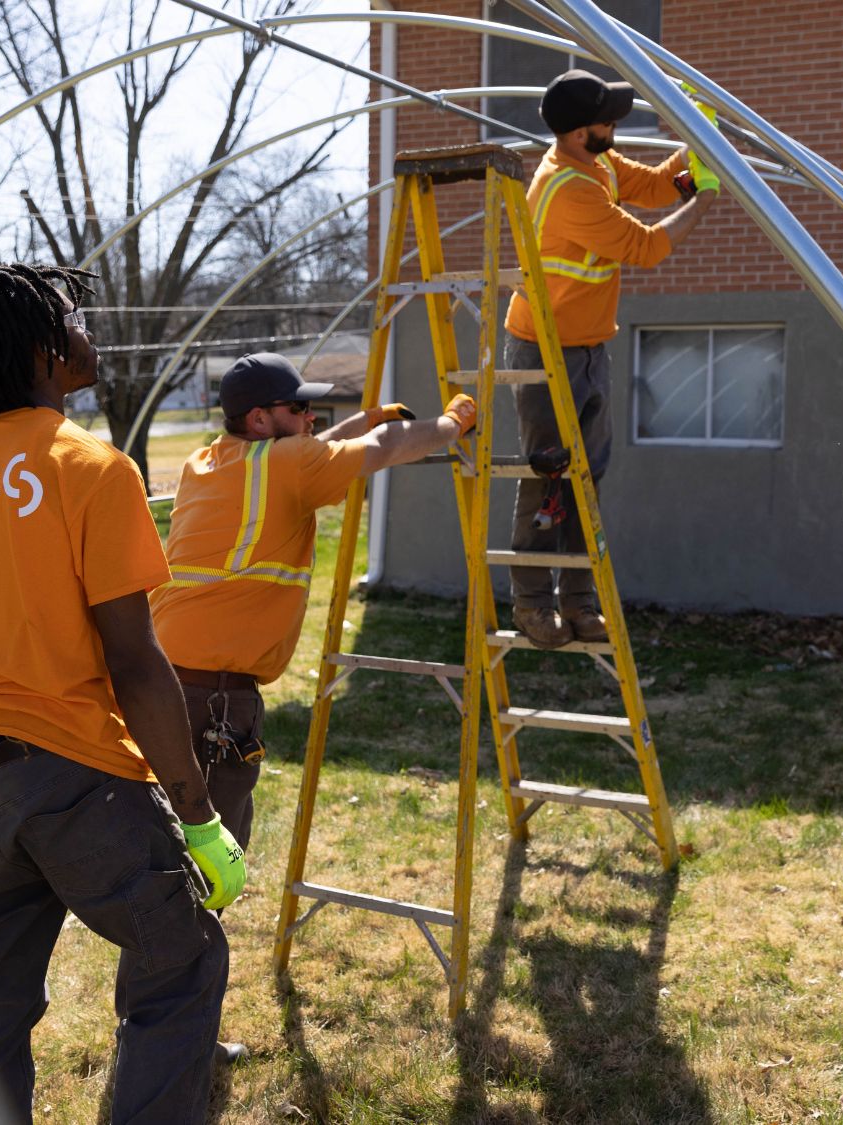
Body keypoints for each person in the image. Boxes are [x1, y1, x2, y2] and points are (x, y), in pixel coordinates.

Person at [0, 263, 247, 1124]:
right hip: (79, 784)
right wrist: (198, 815)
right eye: (75, 318)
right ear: (47, 350)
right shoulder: (89, 466)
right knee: (183, 960)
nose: (90, 330)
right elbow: (134, 660)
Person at [148, 353, 477, 848]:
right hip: (215, 697)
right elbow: (383, 446)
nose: (310, 420)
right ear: (259, 418)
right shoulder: (288, 464)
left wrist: (360, 420)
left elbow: (306, 451)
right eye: (299, 409)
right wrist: (451, 424)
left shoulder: (208, 462)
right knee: (207, 854)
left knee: (160, 835)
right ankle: (193, 927)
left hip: (160, 682)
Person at [500, 68, 719, 648]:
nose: (616, 123)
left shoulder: (597, 162)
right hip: (543, 348)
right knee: (548, 476)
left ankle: (577, 602)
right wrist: (706, 196)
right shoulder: (568, 188)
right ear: (577, 133)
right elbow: (644, 246)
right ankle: (530, 604)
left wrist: (697, 140)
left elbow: (653, 186)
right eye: (606, 117)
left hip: (587, 344)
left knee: (586, 480)